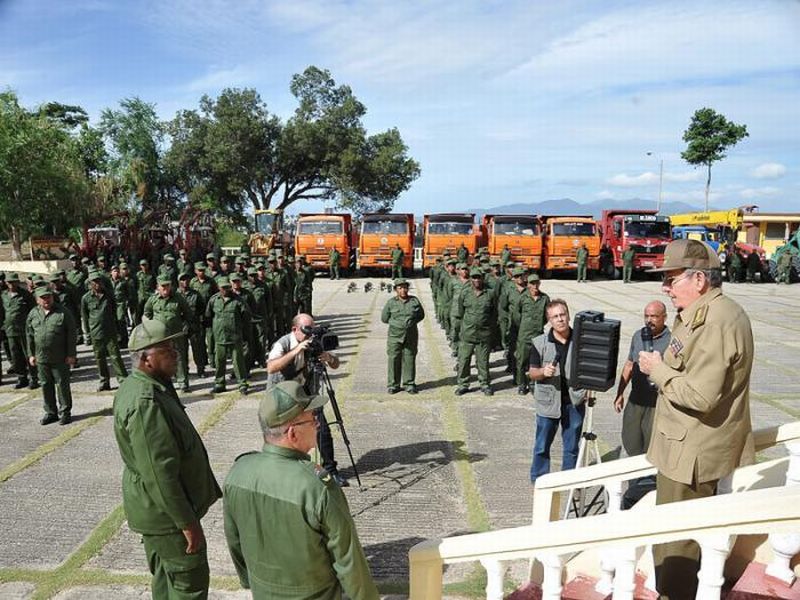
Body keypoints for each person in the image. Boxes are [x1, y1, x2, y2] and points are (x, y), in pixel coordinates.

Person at [639, 239, 754, 599]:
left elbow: (701, 396)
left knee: (676, 545)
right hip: (682, 446)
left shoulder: (716, 322)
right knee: (671, 536)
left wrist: (658, 371)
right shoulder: (703, 313)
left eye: (671, 279)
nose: (665, 288)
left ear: (699, 280)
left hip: (691, 452)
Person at [223, 381, 378, 599]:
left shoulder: (238, 472)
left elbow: (234, 540)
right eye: (313, 419)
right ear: (292, 433)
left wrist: (249, 582)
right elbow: (348, 560)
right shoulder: (318, 486)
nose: (318, 425)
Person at [112, 319, 221, 600]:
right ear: (146, 358)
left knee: (166, 583)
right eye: (168, 348)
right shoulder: (145, 401)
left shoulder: (151, 385)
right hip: (168, 518)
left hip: (161, 513)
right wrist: (187, 524)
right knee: (188, 587)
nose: (177, 352)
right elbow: (160, 474)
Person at [266, 313, 347, 486]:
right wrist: (297, 349)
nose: (310, 335)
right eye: (306, 330)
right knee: (283, 435)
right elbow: (272, 367)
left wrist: (329, 358)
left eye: (312, 330)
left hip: (307, 393)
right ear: (294, 329)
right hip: (283, 397)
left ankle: (330, 470)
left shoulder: (313, 343)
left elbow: (335, 364)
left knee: (322, 429)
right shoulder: (283, 343)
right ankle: (283, 471)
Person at [528, 299, 587, 483]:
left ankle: (567, 481)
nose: (560, 319)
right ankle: (539, 479)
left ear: (568, 316)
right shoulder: (539, 343)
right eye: (555, 317)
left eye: (563, 315)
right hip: (548, 403)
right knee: (541, 446)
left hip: (573, 402)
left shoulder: (582, 341)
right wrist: (543, 372)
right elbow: (532, 372)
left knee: (571, 447)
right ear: (549, 321)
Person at [613, 301, 670, 457]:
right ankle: (634, 481)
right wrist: (620, 394)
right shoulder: (638, 335)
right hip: (635, 401)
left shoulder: (672, 341)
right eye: (646, 316)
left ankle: (649, 479)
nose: (649, 320)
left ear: (664, 317)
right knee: (630, 442)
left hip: (656, 405)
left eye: (654, 316)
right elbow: (629, 365)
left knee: (651, 448)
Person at [26, 287, 77, 425]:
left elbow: (72, 334)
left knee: (62, 385)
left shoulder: (63, 312)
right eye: (43, 298)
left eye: (48, 297)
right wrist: (31, 355)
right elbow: (29, 336)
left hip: (60, 357)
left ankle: (65, 412)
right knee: (45, 385)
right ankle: (51, 412)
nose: (46, 300)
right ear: (37, 300)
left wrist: (71, 354)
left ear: (52, 297)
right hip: (41, 358)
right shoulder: (33, 314)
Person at [144, 276, 196, 393]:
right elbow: (147, 313)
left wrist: (185, 326)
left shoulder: (178, 298)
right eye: (163, 286)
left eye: (168, 286)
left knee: (179, 357)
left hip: (176, 334)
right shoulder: (153, 299)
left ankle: (183, 383)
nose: (166, 289)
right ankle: (163, 384)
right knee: (160, 359)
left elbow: (188, 313)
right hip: (160, 337)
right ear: (158, 287)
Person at [82, 271, 129, 391]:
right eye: (94, 282)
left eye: (99, 281)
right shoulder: (86, 298)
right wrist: (87, 333)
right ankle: (104, 381)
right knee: (99, 358)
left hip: (110, 331)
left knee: (115, 356)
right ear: (90, 284)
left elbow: (114, 310)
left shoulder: (109, 295)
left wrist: (117, 328)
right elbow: (85, 316)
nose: (97, 284)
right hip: (95, 332)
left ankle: (123, 379)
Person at [205, 276, 250, 395]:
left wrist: (244, 334)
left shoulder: (238, 300)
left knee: (238, 362)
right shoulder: (214, 300)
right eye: (223, 288)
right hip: (220, 337)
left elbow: (246, 317)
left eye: (227, 287)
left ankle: (242, 384)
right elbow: (208, 316)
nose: (225, 290)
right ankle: (220, 384)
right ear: (219, 288)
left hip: (235, 337)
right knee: (219, 362)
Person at [454, 268, 495, 396]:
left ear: (482, 278)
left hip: (484, 334)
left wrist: (489, 329)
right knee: (464, 360)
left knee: (483, 361)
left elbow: (494, 314)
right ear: (471, 279)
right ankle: (463, 384)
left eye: (479, 277)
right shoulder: (465, 293)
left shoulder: (490, 294)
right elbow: (460, 312)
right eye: (474, 277)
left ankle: (485, 384)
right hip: (468, 333)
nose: (476, 280)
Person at [381, 278, 425, 394]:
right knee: (394, 359)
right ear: (396, 290)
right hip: (395, 337)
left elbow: (421, 315)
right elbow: (384, 318)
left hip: (411, 336)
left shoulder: (414, 301)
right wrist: (397, 324)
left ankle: (409, 384)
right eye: (400, 288)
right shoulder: (391, 303)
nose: (403, 290)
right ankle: (393, 385)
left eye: (405, 287)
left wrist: (411, 323)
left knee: (410, 359)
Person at [515, 274, 550, 395]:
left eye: (537, 283)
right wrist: (525, 326)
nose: (535, 286)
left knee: (536, 362)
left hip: (538, 336)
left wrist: (538, 325)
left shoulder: (545, 298)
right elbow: (517, 315)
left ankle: (532, 383)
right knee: (521, 361)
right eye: (532, 283)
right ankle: (521, 384)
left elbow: (547, 317)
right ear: (528, 284)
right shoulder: (523, 298)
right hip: (524, 335)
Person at [2, 273, 37, 389]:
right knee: (16, 357)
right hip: (10, 331)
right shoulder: (3, 296)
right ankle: (22, 378)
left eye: (14, 282)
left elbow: (33, 312)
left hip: (24, 330)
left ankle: (34, 378)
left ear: (18, 282)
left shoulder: (25, 295)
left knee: (28, 355)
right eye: (10, 282)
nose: (12, 284)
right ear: (6, 283)